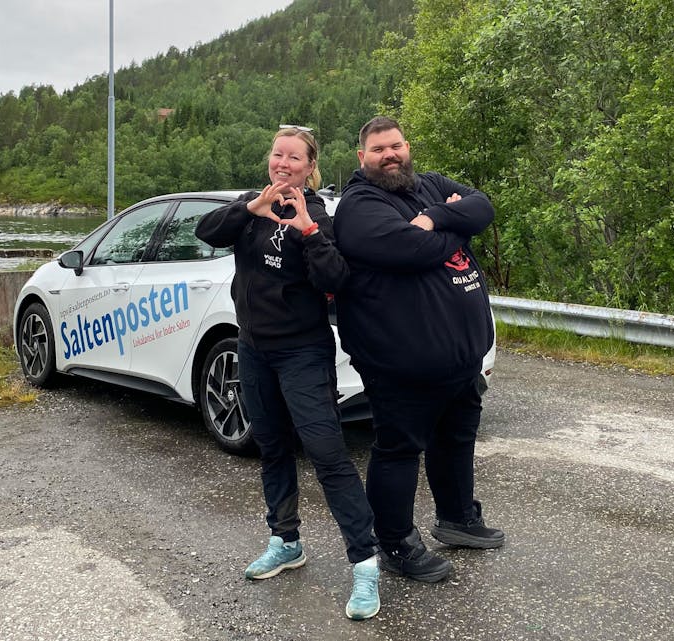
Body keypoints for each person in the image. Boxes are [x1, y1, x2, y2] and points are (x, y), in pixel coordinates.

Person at [195, 126, 380, 620]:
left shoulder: (316, 213)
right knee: (271, 447)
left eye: (294, 158)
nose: (283, 163)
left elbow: (336, 279)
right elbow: (205, 231)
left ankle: (364, 562)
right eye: (278, 155)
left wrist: (308, 231)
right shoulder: (249, 209)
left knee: (326, 454)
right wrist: (250, 208)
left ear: (309, 166)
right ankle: (285, 541)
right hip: (254, 351)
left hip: (303, 353)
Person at [332, 116, 505, 584]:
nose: (390, 155)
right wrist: (458, 227)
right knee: (399, 450)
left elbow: (482, 205)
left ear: (407, 147)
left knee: (456, 438)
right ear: (361, 156)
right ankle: (395, 543)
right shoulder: (359, 205)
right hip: (400, 362)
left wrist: (439, 217)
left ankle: (457, 519)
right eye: (378, 149)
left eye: (395, 146)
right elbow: (412, 250)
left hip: (458, 359)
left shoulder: (428, 184)